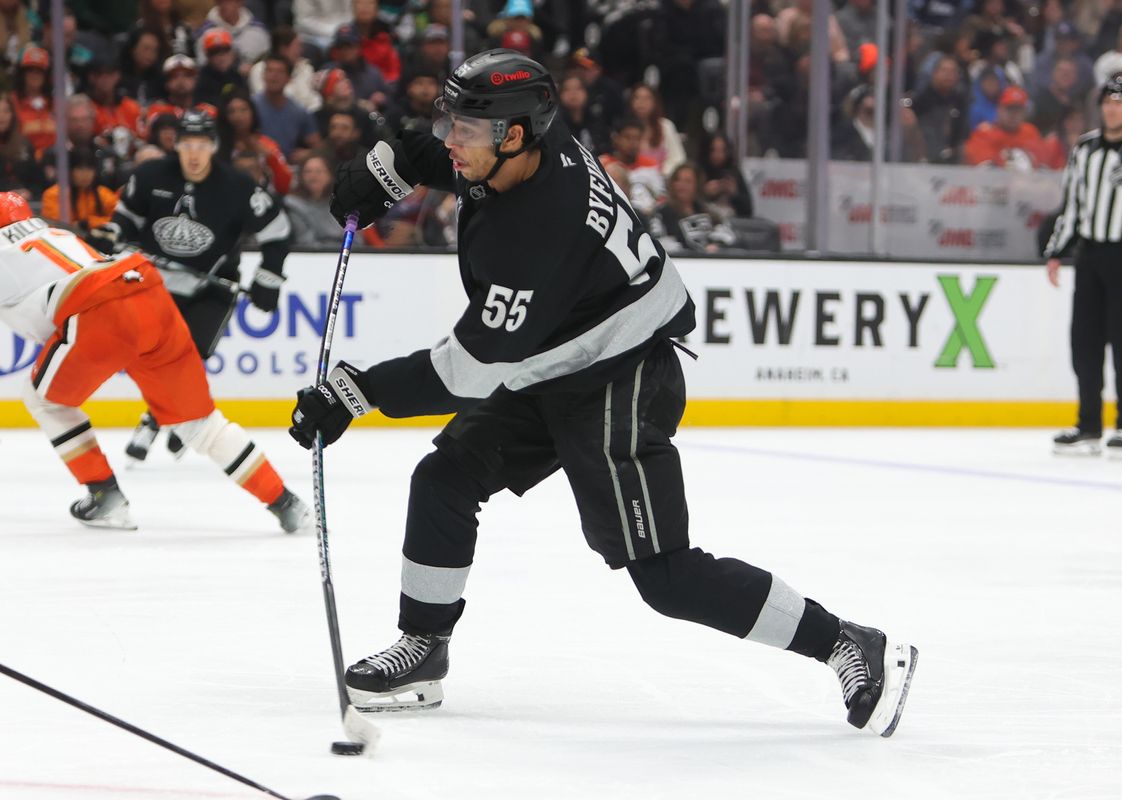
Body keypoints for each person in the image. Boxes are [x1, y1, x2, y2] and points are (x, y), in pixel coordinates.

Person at [290, 48, 918, 737]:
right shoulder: (529, 147)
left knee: (667, 577)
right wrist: (387, 168)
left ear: (516, 137)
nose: (453, 142)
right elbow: (433, 155)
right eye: (454, 121)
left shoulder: (538, 232)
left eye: (467, 130)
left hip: (621, 370)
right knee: (444, 477)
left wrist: (356, 392)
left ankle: (847, 642)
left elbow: (468, 372)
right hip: (555, 357)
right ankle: (425, 646)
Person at [0, 192, 312, 533]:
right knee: (202, 426)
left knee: (45, 398)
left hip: (100, 308)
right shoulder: (53, 231)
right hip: (147, 290)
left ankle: (104, 494)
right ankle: (286, 504)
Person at [91, 111, 293, 463]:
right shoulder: (150, 175)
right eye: (187, 145)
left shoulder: (238, 186)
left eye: (202, 145)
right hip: (156, 283)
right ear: (176, 145)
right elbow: (128, 218)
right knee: (154, 355)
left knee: (192, 354)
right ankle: (174, 418)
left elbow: (277, 232)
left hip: (211, 285)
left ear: (213, 147)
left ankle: (156, 419)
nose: (194, 154)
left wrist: (269, 277)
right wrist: (114, 233)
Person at [1044, 73, 1122, 456]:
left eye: (1120, 101)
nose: (1113, 107)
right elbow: (1072, 205)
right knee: (1084, 343)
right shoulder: (1084, 149)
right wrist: (1057, 249)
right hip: (1089, 256)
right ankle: (1088, 423)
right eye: (1108, 100)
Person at [217, 89, 293, 196]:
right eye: (232, 111)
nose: (238, 116)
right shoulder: (218, 146)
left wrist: (270, 158)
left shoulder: (267, 144)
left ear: (253, 112)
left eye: (244, 110)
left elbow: (285, 185)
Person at [649, 162, 738, 253]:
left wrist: (716, 245)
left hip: (712, 262)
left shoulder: (710, 213)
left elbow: (728, 235)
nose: (681, 185)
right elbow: (659, 241)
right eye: (677, 180)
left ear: (697, 185)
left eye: (688, 181)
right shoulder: (662, 213)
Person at [963, 85, 1055, 169]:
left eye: (1018, 110)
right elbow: (985, 169)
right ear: (999, 109)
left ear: (1024, 113)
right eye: (1009, 109)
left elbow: (1043, 167)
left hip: (1027, 184)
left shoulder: (1030, 132)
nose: (1013, 115)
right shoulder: (984, 133)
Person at [252, 53, 320, 161]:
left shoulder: (299, 111)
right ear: (263, 76)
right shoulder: (250, 107)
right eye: (269, 71)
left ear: (289, 79)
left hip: (287, 168)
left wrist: (308, 154)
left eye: (280, 72)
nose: (274, 76)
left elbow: (318, 147)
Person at [39, 147, 117, 232]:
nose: (85, 174)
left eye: (90, 169)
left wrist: (87, 223)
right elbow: (57, 227)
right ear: (70, 171)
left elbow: (119, 221)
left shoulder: (103, 194)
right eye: (80, 168)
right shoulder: (53, 194)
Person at [284, 153, 345, 247]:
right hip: (312, 257)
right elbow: (306, 242)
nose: (313, 176)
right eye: (308, 172)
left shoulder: (344, 204)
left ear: (330, 175)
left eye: (319, 171)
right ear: (301, 177)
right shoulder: (293, 205)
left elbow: (356, 241)